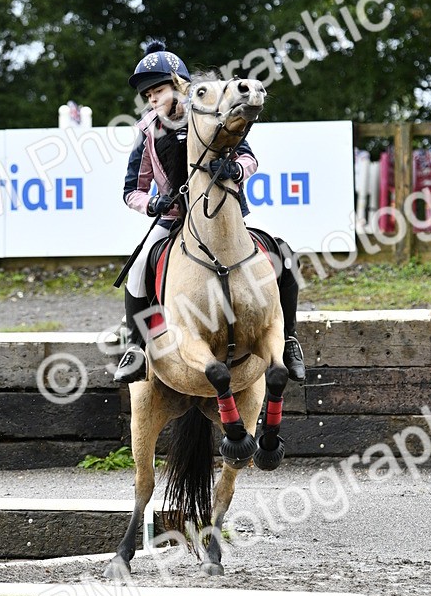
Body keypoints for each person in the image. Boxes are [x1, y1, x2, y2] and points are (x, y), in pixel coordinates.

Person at [113, 41, 306, 385]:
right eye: (148, 95)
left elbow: (248, 157)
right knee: (139, 267)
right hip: (175, 220)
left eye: (158, 91)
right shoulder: (148, 131)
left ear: (179, 87)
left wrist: (237, 170)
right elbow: (132, 191)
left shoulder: (212, 112)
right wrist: (153, 204)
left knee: (284, 253)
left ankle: (289, 339)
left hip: (228, 215)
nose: (153, 100)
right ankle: (135, 347)